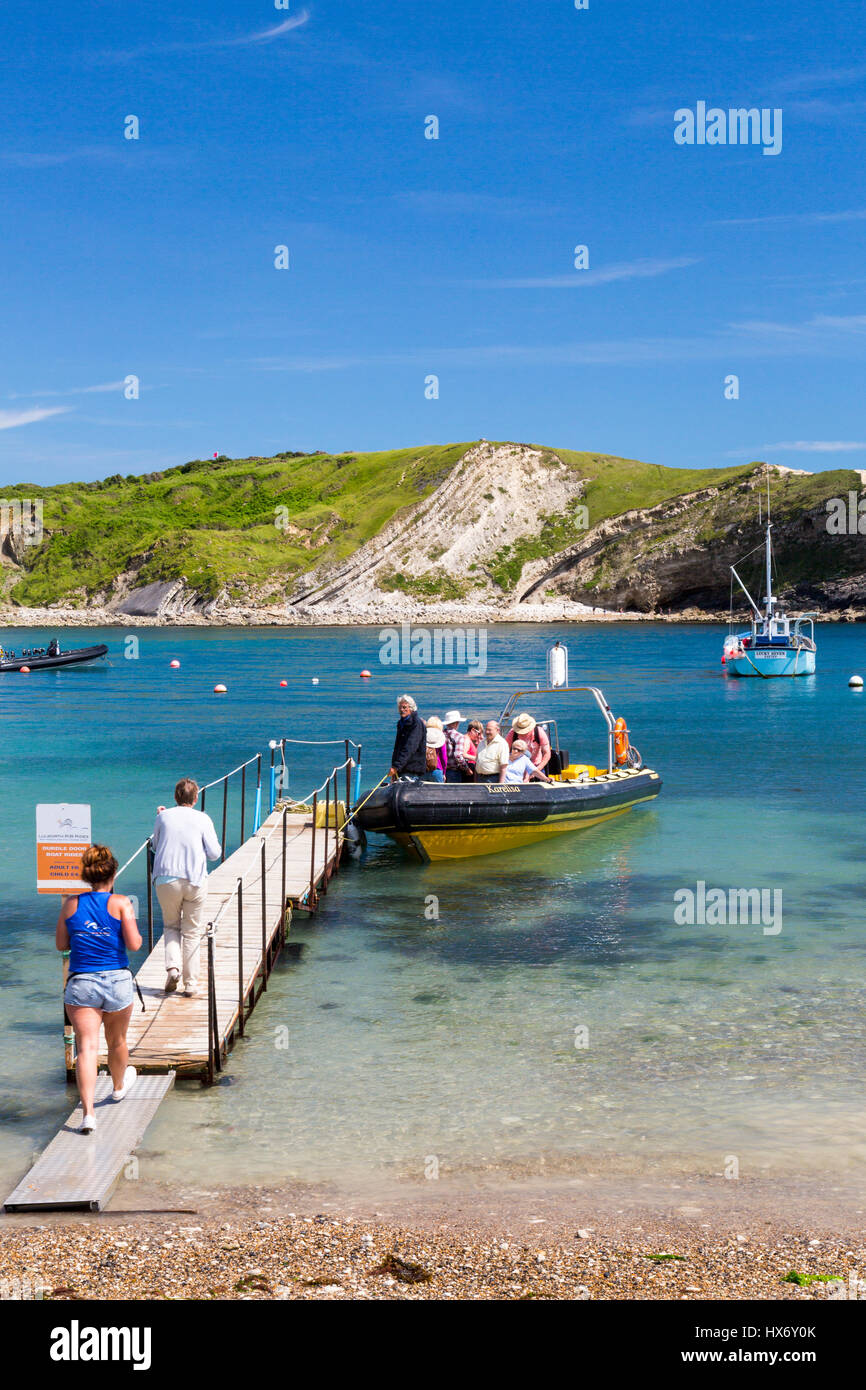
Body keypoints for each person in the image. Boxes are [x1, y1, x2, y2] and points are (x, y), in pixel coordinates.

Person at [56, 844, 142, 1134]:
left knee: (87, 1047)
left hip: (82, 985)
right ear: (113, 873)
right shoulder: (121, 903)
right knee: (116, 1041)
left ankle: (88, 1114)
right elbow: (134, 944)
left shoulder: (71, 903)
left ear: (86, 876)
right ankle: (118, 1087)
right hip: (116, 982)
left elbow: (61, 944)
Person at [152, 778, 221, 997]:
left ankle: (173, 969)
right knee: (192, 931)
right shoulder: (203, 818)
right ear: (196, 797)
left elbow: (155, 845)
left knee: (171, 926)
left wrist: (160, 817)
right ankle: (190, 984)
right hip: (194, 881)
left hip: (166, 880)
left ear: (175, 797)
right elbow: (214, 853)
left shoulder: (162, 816)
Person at [389, 695, 427, 780]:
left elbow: (410, 747)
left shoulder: (416, 723)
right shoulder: (401, 723)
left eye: (404, 707)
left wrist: (396, 766)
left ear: (411, 708)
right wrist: (394, 767)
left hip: (412, 769)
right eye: (400, 707)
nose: (402, 710)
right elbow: (397, 748)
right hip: (401, 769)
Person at [474, 720, 511, 784]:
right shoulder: (482, 742)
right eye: (486, 729)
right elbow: (477, 762)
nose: (487, 732)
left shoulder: (502, 744)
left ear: (497, 730)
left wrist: (500, 785)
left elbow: (503, 767)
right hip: (479, 778)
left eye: (489, 730)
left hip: (493, 779)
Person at [442, 710, 467, 783]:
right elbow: (458, 755)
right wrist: (466, 768)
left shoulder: (440, 734)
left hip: (442, 771)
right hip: (454, 771)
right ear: (456, 723)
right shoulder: (459, 736)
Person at [424, 717, 448, 782]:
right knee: (439, 791)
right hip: (437, 769)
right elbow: (443, 758)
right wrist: (444, 773)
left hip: (423, 769)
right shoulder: (441, 738)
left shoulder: (422, 736)